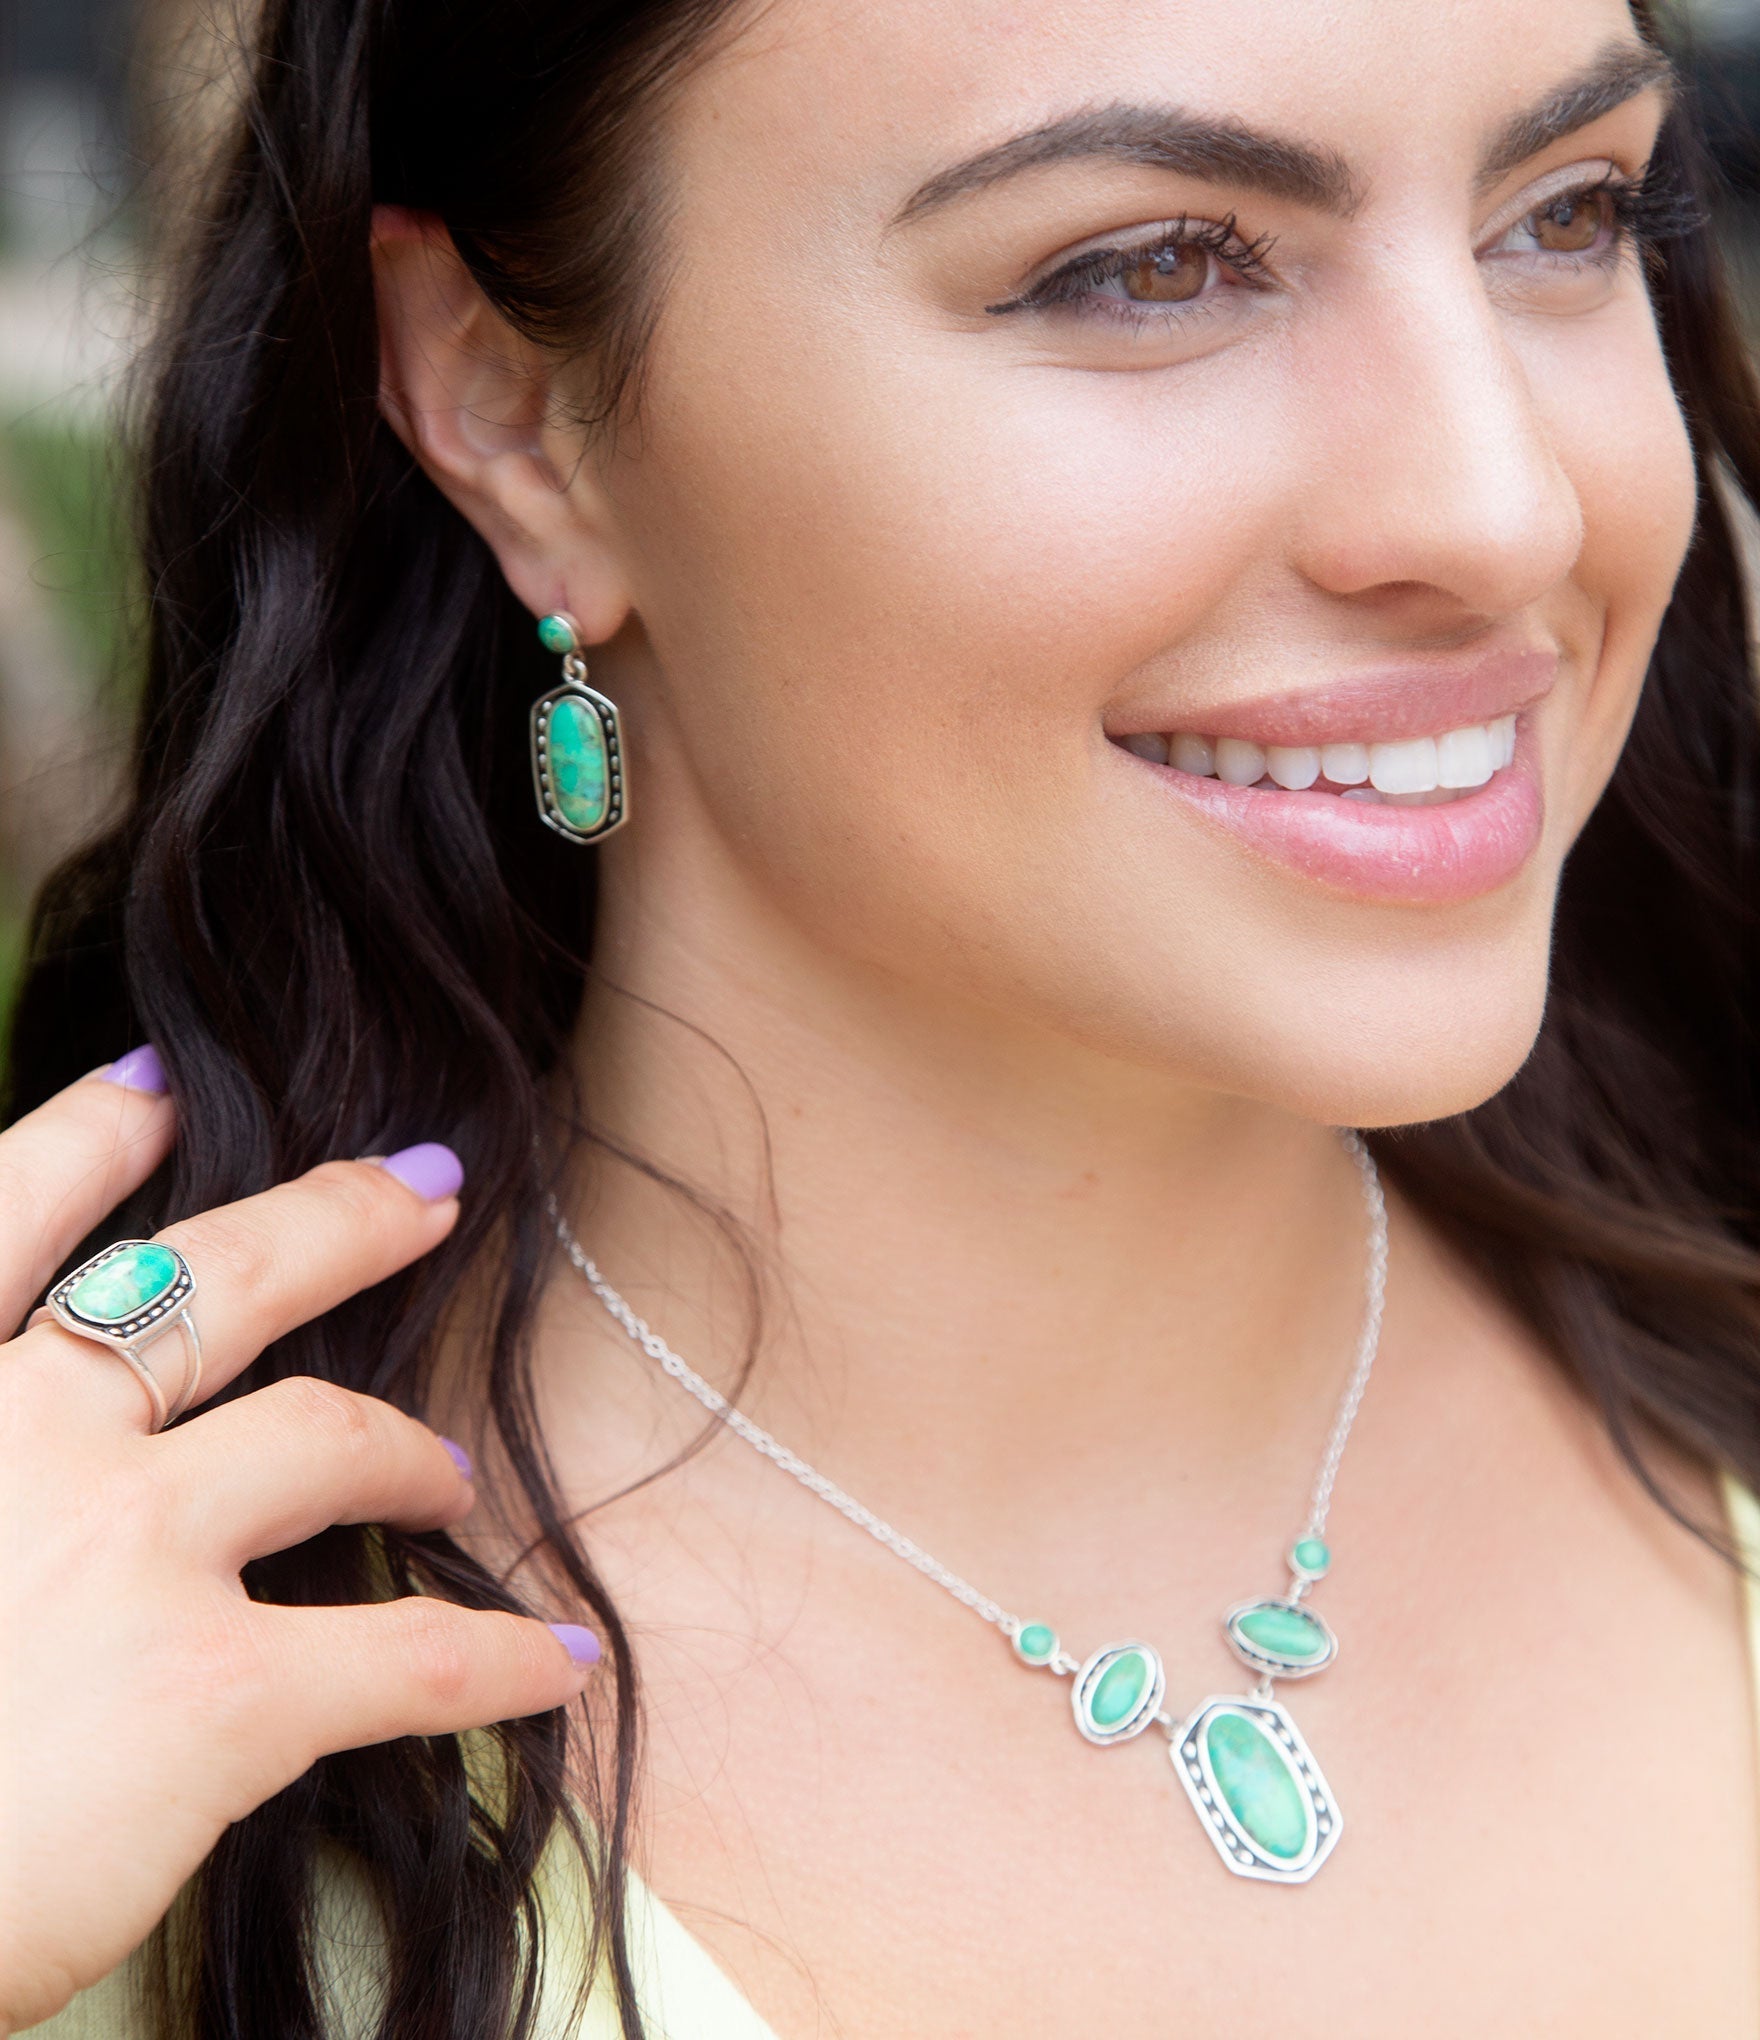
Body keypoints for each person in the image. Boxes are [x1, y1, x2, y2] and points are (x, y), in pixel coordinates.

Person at [4, 0, 1758, 2031]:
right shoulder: (104, 1762)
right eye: (1150, 263)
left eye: (1566, 211)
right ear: (507, 410)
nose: (1504, 509)